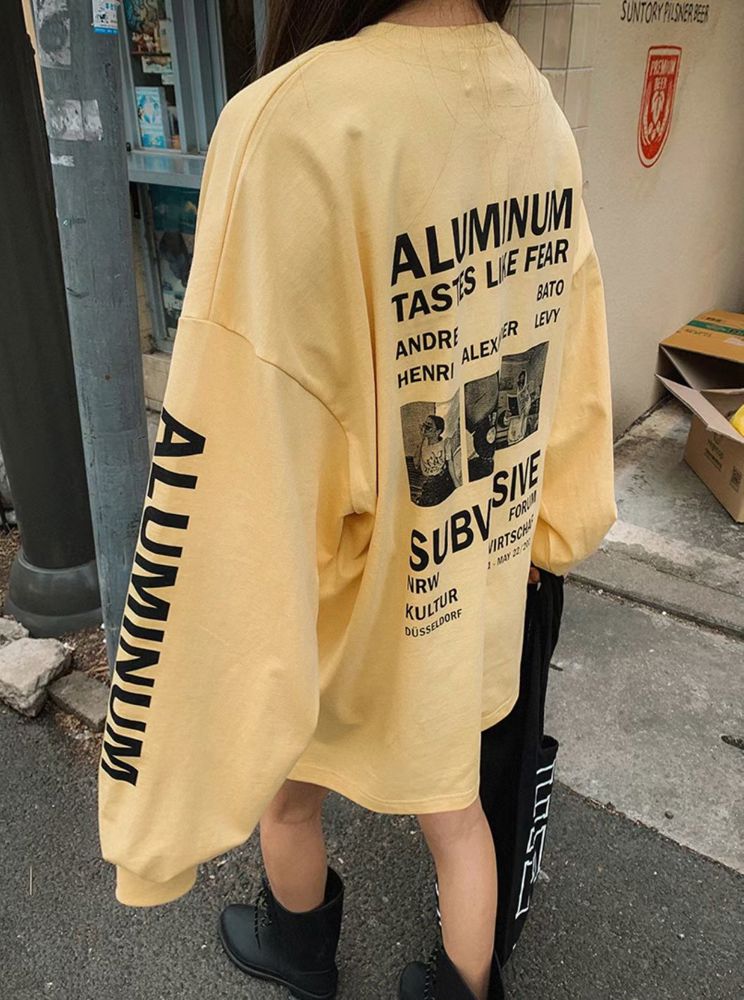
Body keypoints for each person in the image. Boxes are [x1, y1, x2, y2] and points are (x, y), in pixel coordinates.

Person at [97, 2, 617, 999]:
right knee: (457, 811)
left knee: (289, 792)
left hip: (348, 587)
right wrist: (553, 527)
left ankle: (300, 951)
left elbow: (233, 447)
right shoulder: (534, 106)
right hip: (474, 561)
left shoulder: (297, 120)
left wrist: (151, 778)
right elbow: (574, 349)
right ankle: (464, 988)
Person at [413, 413, 459, 505]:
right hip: (428, 483)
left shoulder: (445, 443)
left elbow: (450, 464)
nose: (425, 428)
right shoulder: (422, 445)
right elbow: (416, 464)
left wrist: (457, 485)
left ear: (438, 431)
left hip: (442, 481)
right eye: (424, 425)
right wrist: (422, 439)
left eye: (429, 426)